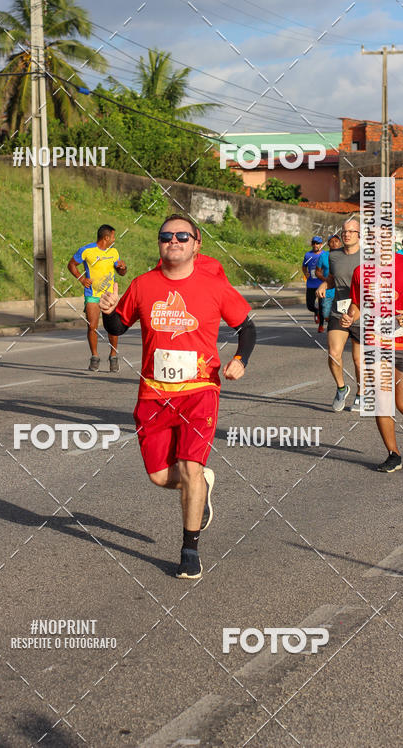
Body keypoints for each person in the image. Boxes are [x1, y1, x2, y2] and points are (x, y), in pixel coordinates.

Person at [100, 213, 256, 579]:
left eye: (182, 236)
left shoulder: (214, 286)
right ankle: (200, 484)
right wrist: (108, 313)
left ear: (196, 245)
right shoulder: (142, 284)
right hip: (153, 394)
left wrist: (240, 359)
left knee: (189, 467)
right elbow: (119, 324)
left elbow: (247, 327)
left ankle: (190, 550)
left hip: (200, 391)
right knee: (159, 476)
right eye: (166, 235)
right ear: (159, 242)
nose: (174, 240)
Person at [342, 252, 403, 472]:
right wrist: (350, 316)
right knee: (381, 400)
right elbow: (357, 304)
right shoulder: (361, 272)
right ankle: (394, 454)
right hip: (376, 343)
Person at [315, 219, 362, 411]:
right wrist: (324, 284)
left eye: (351, 231)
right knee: (334, 354)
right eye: (344, 231)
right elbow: (334, 279)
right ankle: (341, 388)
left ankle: (361, 394)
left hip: (362, 312)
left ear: (359, 234)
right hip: (339, 310)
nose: (347, 234)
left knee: (359, 360)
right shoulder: (334, 256)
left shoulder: (368, 257)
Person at [68, 225, 127, 372]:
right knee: (92, 326)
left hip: (109, 296)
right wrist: (81, 278)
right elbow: (71, 264)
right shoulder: (87, 250)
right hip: (92, 294)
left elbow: (121, 272)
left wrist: (122, 267)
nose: (114, 239)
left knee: (112, 327)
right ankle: (94, 356)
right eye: (113, 236)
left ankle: (113, 356)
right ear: (106, 237)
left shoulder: (113, 252)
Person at [315, 234, 341, 327]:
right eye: (331, 242)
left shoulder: (345, 255)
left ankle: (336, 330)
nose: (334, 243)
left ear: (340, 243)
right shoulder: (323, 256)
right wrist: (325, 280)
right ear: (328, 244)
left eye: (336, 241)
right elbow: (317, 272)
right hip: (328, 291)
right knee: (326, 314)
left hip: (341, 291)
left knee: (341, 315)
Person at [302, 236, 326, 332]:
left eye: (317, 243)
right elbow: (304, 266)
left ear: (321, 244)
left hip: (321, 285)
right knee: (310, 306)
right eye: (314, 243)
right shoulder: (308, 255)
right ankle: (316, 311)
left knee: (322, 306)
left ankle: (321, 326)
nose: (315, 245)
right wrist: (305, 273)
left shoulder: (325, 255)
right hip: (311, 284)